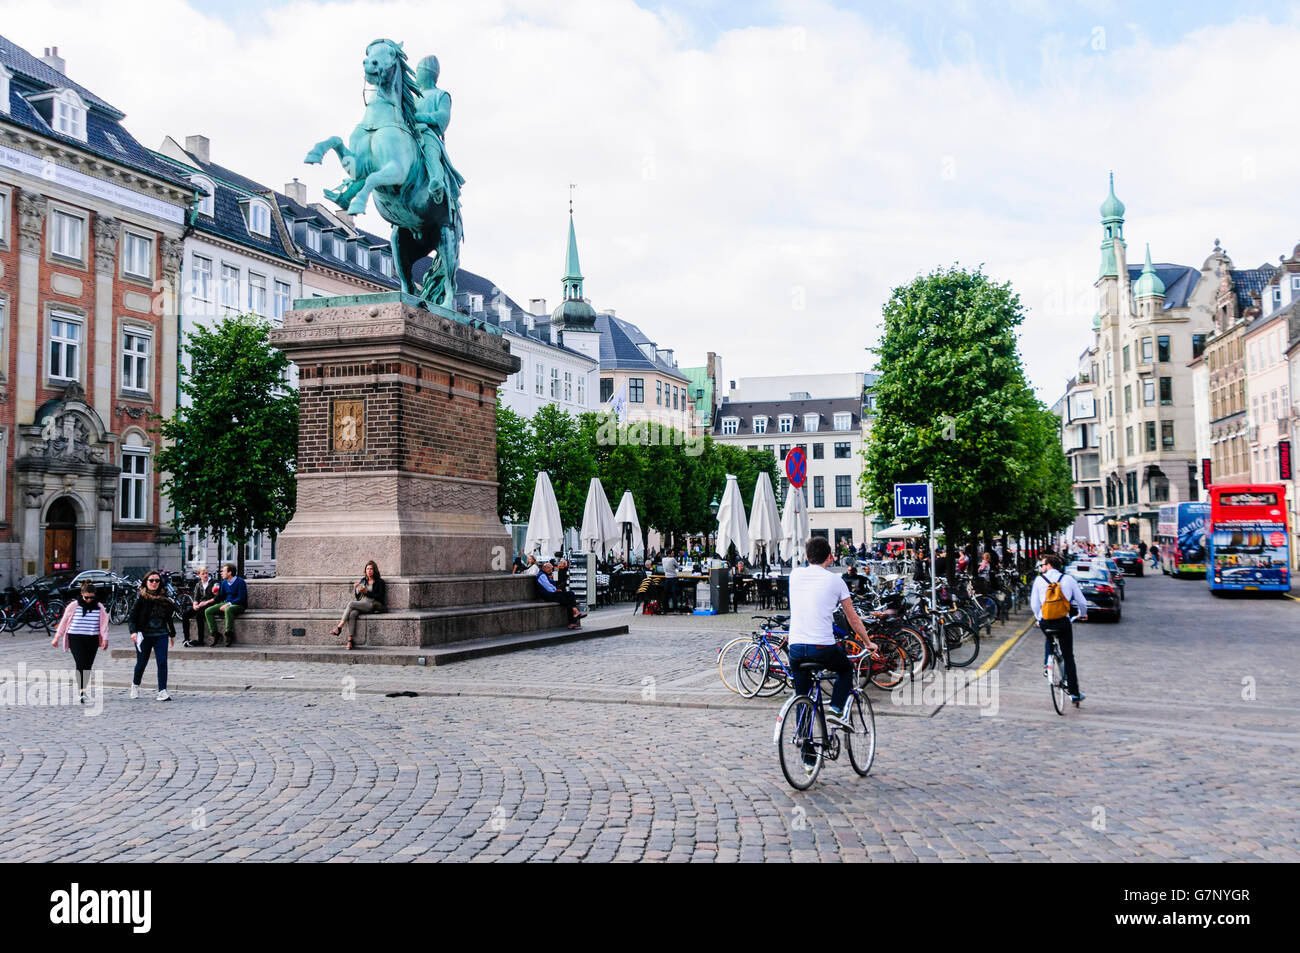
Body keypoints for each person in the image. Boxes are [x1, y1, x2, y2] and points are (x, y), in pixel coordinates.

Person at [787, 536, 878, 737]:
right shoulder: (836, 581)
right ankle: (836, 709)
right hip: (821, 647)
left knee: (802, 696)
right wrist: (867, 642)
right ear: (829, 557)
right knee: (845, 669)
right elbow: (853, 619)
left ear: (807, 556)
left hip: (795, 647)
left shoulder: (795, 575)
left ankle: (808, 757)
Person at [1030, 553, 1088, 704]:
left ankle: (1046, 665)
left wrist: (1039, 618)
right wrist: (1082, 614)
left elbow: (1034, 604)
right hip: (1063, 621)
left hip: (1046, 621)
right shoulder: (1068, 579)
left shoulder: (1039, 580)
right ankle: (1074, 693)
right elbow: (1081, 601)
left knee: (1049, 638)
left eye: (1043, 565)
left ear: (1049, 565)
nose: (1042, 567)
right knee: (1069, 656)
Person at [51, 581, 108, 705]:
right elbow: (64, 622)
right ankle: (81, 691)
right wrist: (57, 637)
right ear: (82, 594)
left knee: (88, 665)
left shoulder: (99, 607)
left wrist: (105, 639)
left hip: (92, 638)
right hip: (75, 638)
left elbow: (104, 625)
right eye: (86, 597)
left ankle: (83, 688)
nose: (88, 600)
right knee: (81, 662)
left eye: (91, 597)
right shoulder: (73, 606)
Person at [129, 570, 177, 701]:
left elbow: (168, 618)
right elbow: (132, 617)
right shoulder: (141, 598)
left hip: (161, 634)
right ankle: (135, 685)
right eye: (151, 580)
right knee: (141, 662)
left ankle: (162, 690)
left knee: (162, 662)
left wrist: (172, 634)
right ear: (146, 582)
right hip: (144, 635)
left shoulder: (164, 599)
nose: (154, 583)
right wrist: (133, 632)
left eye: (157, 581)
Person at [331, 560, 387, 650]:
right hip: (363, 603)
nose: (369, 571)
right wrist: (357, 589)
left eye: (371, 569)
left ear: (375, 570)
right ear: (365, 571)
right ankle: (350, 640)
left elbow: (380, 596)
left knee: (351, 603)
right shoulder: (363, 580)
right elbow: (358, 597)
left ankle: (339, 627)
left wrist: (366, 592)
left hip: (373, 604)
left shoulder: (380, 582)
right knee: (352, 614)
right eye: (367, 569)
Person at [204, 563, 247, 647]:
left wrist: (229, 604)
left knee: (228, 609)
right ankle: (215, 633)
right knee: (208, 611)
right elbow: (221, 596)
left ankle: (229, 634)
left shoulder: (240, 582)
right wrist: (213, 596)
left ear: (229, 573)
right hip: (227, 603)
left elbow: (242, 598)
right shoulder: (224, 582)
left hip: (239, 605)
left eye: (223, 571)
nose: (221, 573)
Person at [535, 561, 584, 628]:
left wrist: (557, 589)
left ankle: (575, 611)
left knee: (571, 593)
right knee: (567, 600)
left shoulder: (546, 574)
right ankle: (572, 621)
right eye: (549, 568)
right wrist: (556, 590)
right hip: (548, 595)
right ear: (544, 568)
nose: (551, 570)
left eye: (551, 568)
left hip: (553, 593)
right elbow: (548, 587)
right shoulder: (541, 575)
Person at [182, 567, 218, 647]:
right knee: (185, 614)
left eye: (206, 573)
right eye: (203, 574)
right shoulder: (198, 584)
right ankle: (186, 638)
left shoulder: (214, 582)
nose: (205, 575)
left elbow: (217, 597)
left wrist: (206, 602)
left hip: (210, 604)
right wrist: (195, 605)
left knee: (199, 616)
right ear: (199, 575)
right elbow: (196, 598)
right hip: (201, 605)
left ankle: (201, 640)